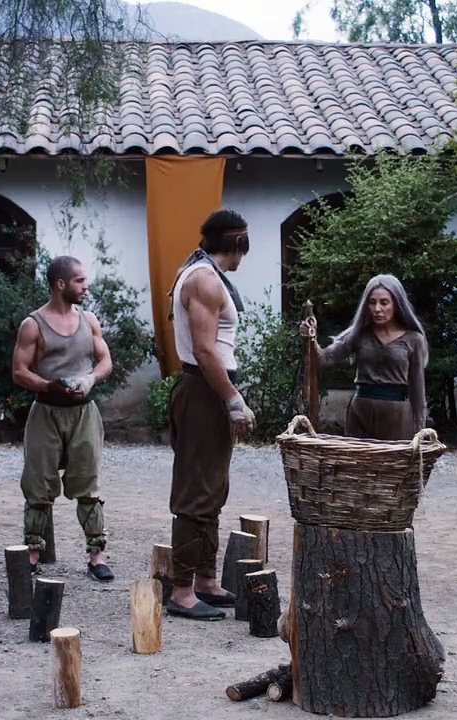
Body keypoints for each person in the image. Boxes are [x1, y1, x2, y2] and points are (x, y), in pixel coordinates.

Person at [165, 208, 255, 620]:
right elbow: (204, 350)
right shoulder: (203, 279)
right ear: (237, 243)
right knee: (195, 492)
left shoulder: (205, 273)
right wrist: (233, 399)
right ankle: (182, 591)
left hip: (209, 390)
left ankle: (204, 580)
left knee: (213, 489)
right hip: (204, 390)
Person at [11, 255, 115, 582]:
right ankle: (32, 554)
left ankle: (96, 556)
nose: (86, 286)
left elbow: (106, 361)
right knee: (38, 484)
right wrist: (49, 386)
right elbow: (19, 371)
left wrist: (90, 379)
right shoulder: (33, 324)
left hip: (84, 413)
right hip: (46, 412)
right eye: (79, 280)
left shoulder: (89, 320)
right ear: (60, 284)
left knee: (88, 483)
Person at [300, 274, 428, 440]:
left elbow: (418, 391)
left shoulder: (414, 339)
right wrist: (311, 338)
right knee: (357, 457)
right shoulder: (359, 334)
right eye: (372, 302)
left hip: (397, 417)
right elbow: (323, 359)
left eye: (384, 302)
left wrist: (420, 430)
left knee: (393, 457)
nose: (377, 309)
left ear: (397, 304)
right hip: (360, 415)